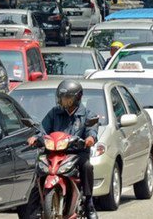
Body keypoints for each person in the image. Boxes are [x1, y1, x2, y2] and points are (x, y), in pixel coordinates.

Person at [27, 80, 99, 219]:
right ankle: (33, 208)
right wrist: (36, 138)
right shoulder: (55, 112)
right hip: (53, 153)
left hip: (76, 153)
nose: (64, 101)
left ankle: (89, 203)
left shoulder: (88, 115)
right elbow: (43, 129)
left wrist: (90, 139)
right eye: (62, 97)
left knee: (87, 166)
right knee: (39, 170)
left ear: (77, 98)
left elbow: (92, 130)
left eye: (67, 98)